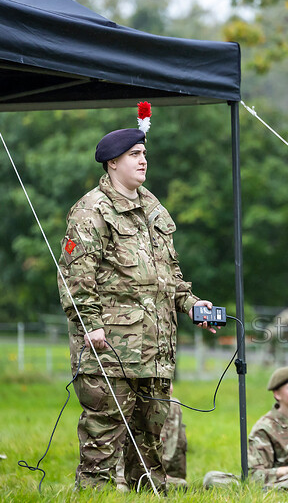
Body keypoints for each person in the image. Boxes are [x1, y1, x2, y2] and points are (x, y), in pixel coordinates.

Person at [58, 112, 215, 492]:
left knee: (150, 446)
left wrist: (193, 304)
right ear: (113, 162)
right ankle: (93, 496)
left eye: (144, 152)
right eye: (134, 154)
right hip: (110, 350)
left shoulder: (155, 210)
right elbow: (75, 277)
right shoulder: (91, 211)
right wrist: (90, 324)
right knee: (102, 440)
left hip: (156, 351)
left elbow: (169, 276)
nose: (143, 160)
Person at [203, 366, 288, 489]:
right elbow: (254, 474)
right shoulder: (264, 428)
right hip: (274, 478)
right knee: (211, 478)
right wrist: (285, 470)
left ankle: (282, 488)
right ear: (277, 394)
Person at [115, 388, 189, 491]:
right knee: (122, 490)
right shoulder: (120, 402)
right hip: (120, 474)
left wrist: (159, 473)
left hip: (153, 473)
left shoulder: (171, 406)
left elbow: (168, 454)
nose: (170, 388)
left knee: (181, 485)